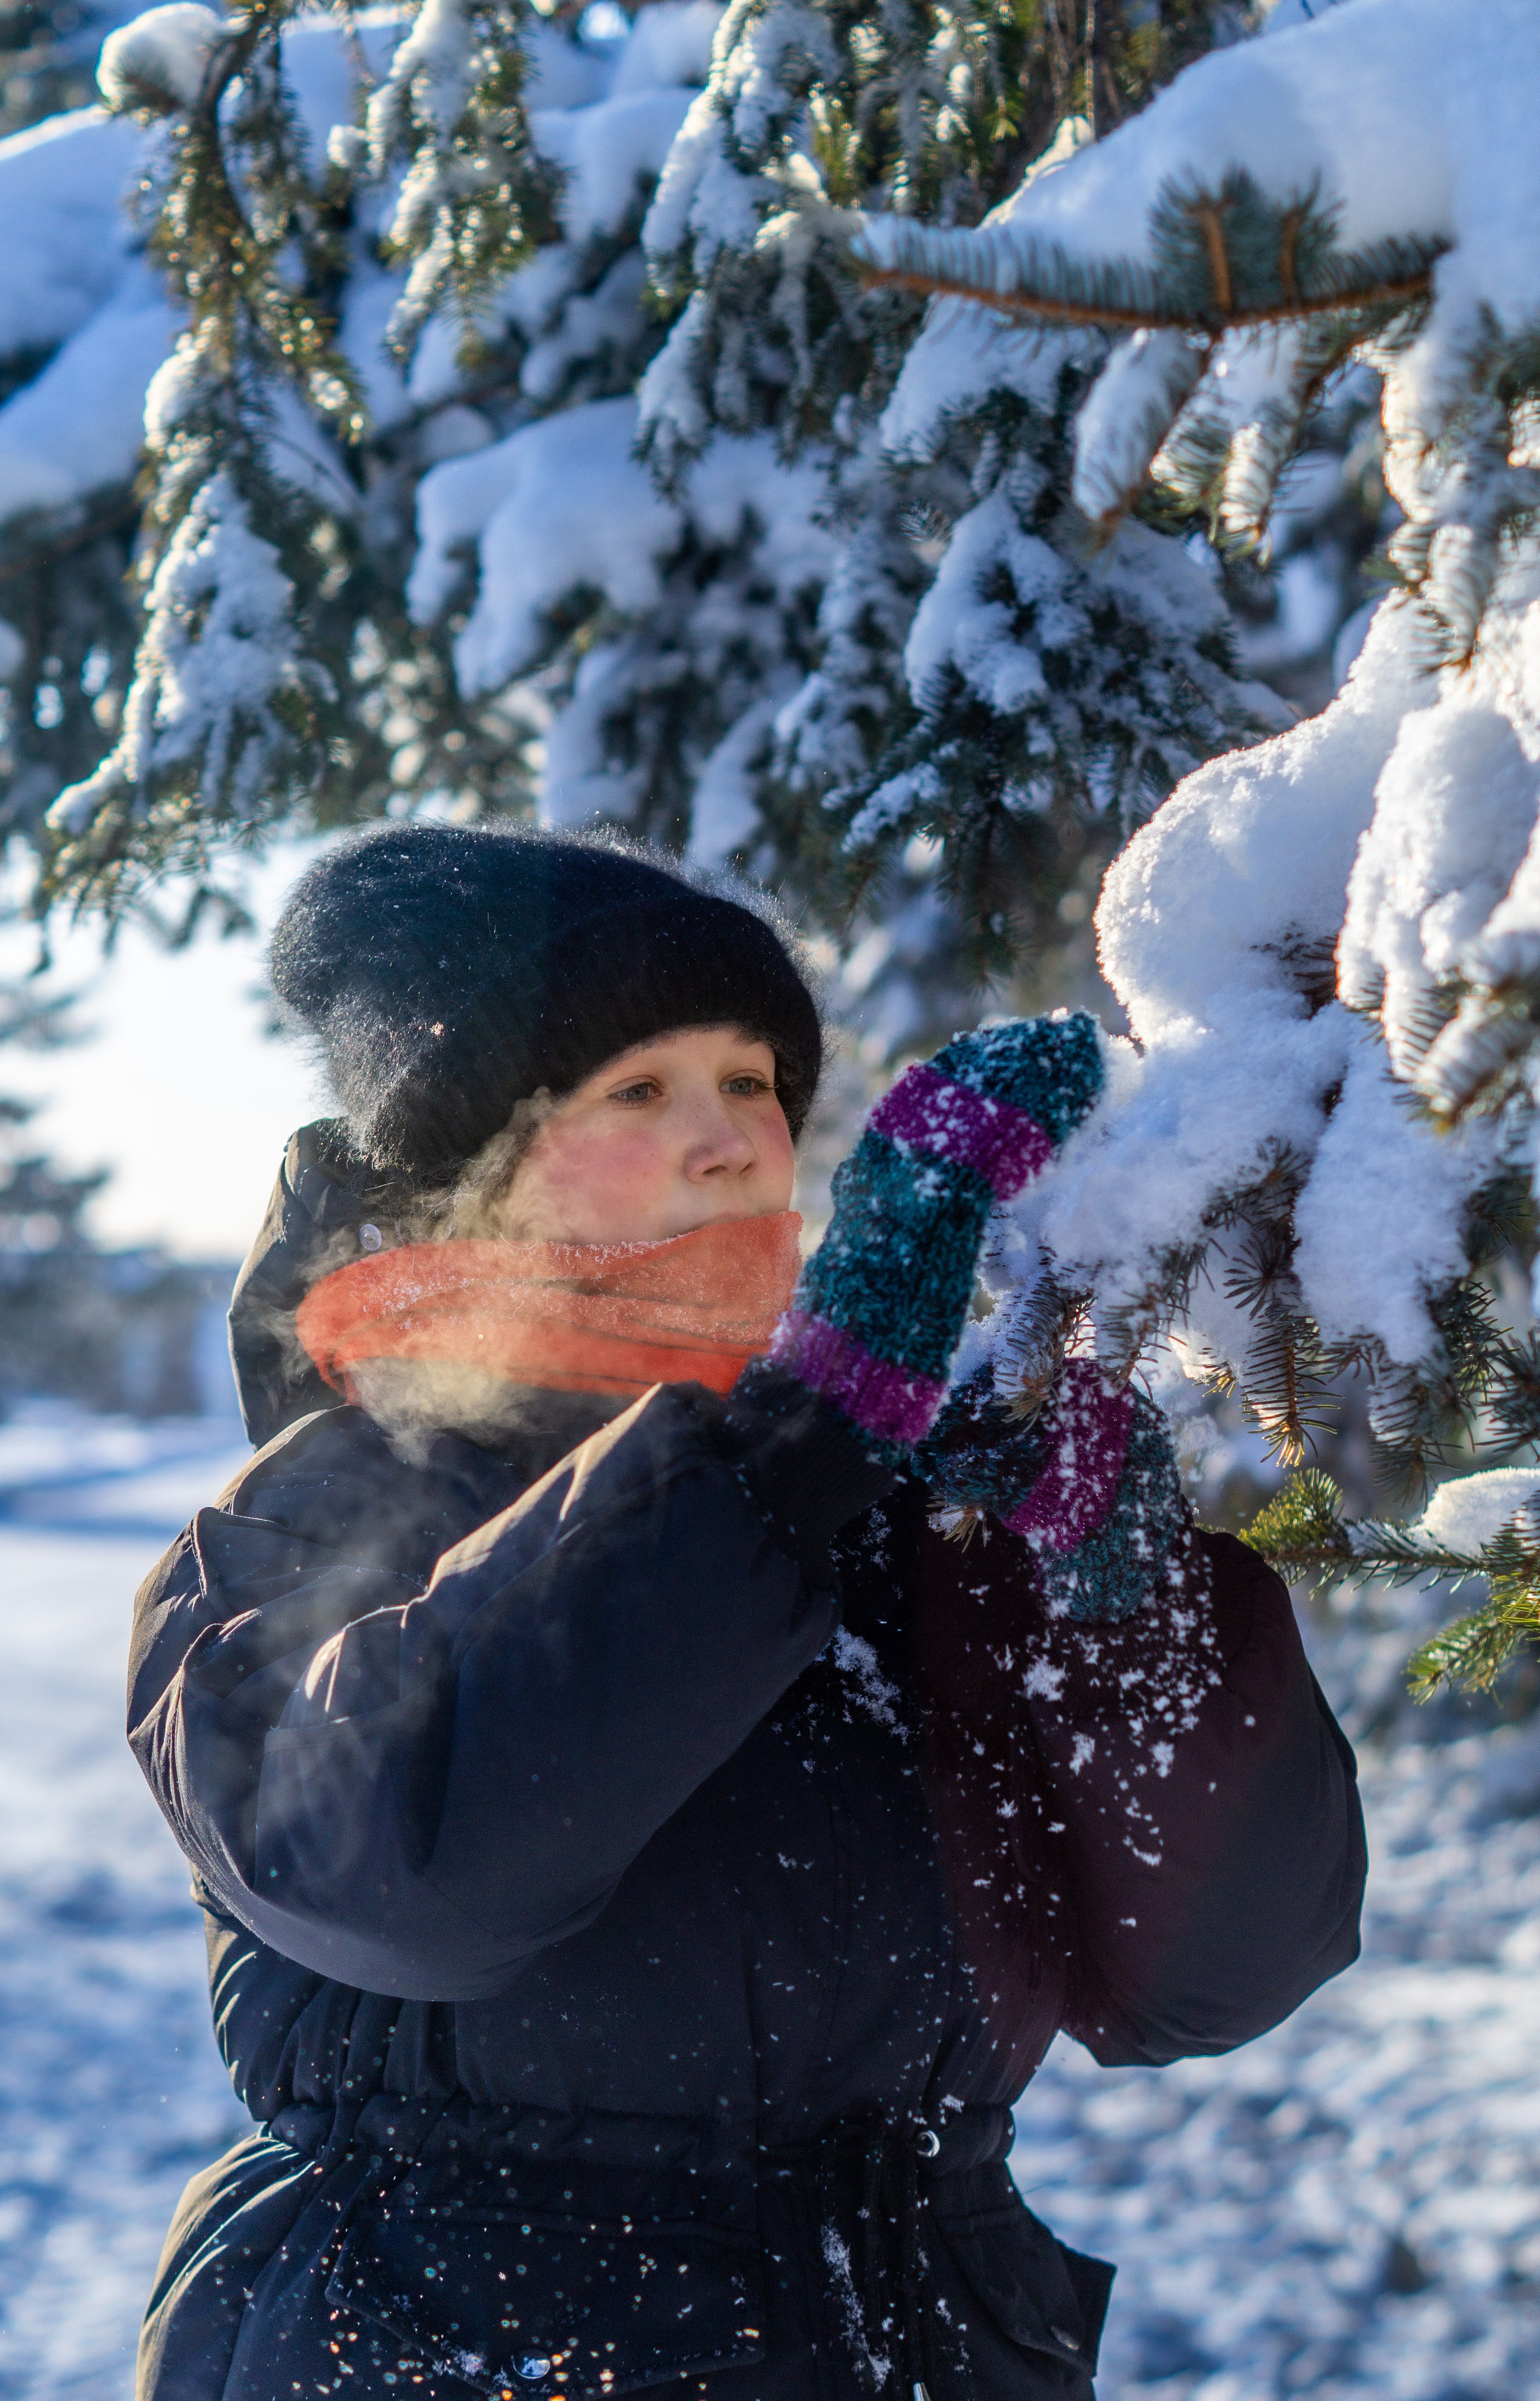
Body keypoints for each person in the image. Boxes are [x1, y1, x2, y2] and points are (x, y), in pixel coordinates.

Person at [128, 824, 1365, 2401]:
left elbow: (1209, 1983)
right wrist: (797, 1444)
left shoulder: (887, 1512)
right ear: (469, 1168)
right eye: (635, 1091)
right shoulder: (307, 1516)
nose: (727, 1140)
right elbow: (399, 1864)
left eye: (752, 1084)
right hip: (446, 2341)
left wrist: (1126, 1610)